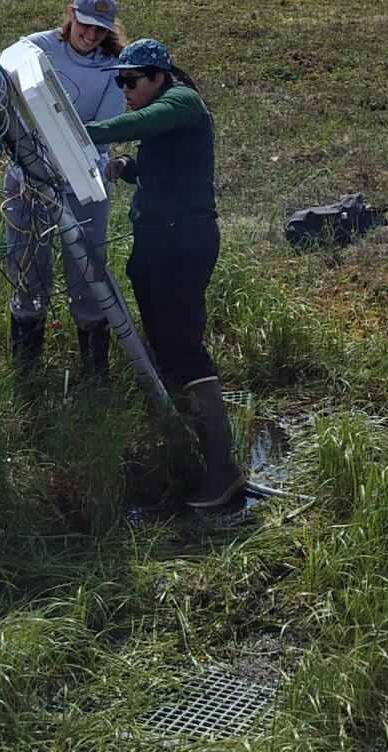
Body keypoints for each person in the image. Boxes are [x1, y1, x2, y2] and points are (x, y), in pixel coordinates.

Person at [82, 38, 244, 509]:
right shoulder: (164, 110)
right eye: (119, 80)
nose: (124, 88)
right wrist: (129, 167)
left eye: (131, 80)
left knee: (184, 348)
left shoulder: (180, 100)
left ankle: (223, 470)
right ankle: (187, 447)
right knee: (165, 345)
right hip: (157, 242)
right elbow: (163, 161)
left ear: (158, 76)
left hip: (182, 244)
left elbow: (140, 123)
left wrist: (81, 131)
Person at [5, 0, 126, 381]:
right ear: (71, 13)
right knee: (28, 267)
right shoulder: (35, 48)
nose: (91, 36)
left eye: (101, 30)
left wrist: (68, 148)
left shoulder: (114, 67)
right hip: (30, 176)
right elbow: (1, 79)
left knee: (89, 270)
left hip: (84, 180)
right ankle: (27, 372)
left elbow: (103, 129)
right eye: (86, 25)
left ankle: (95, 374)